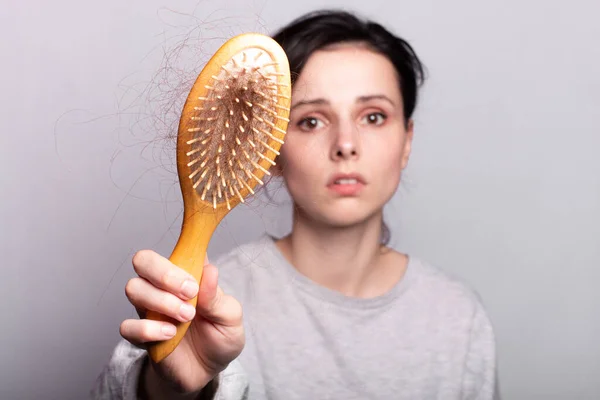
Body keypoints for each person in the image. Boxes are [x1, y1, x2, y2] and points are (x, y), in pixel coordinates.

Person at [91, 9, 500, 400]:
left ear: (407, 140)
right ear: (268, 149)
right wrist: (173, 391)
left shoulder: (457, 315)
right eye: (310, 121)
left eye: (373, 117)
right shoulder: (201, 302)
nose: (345, 144)